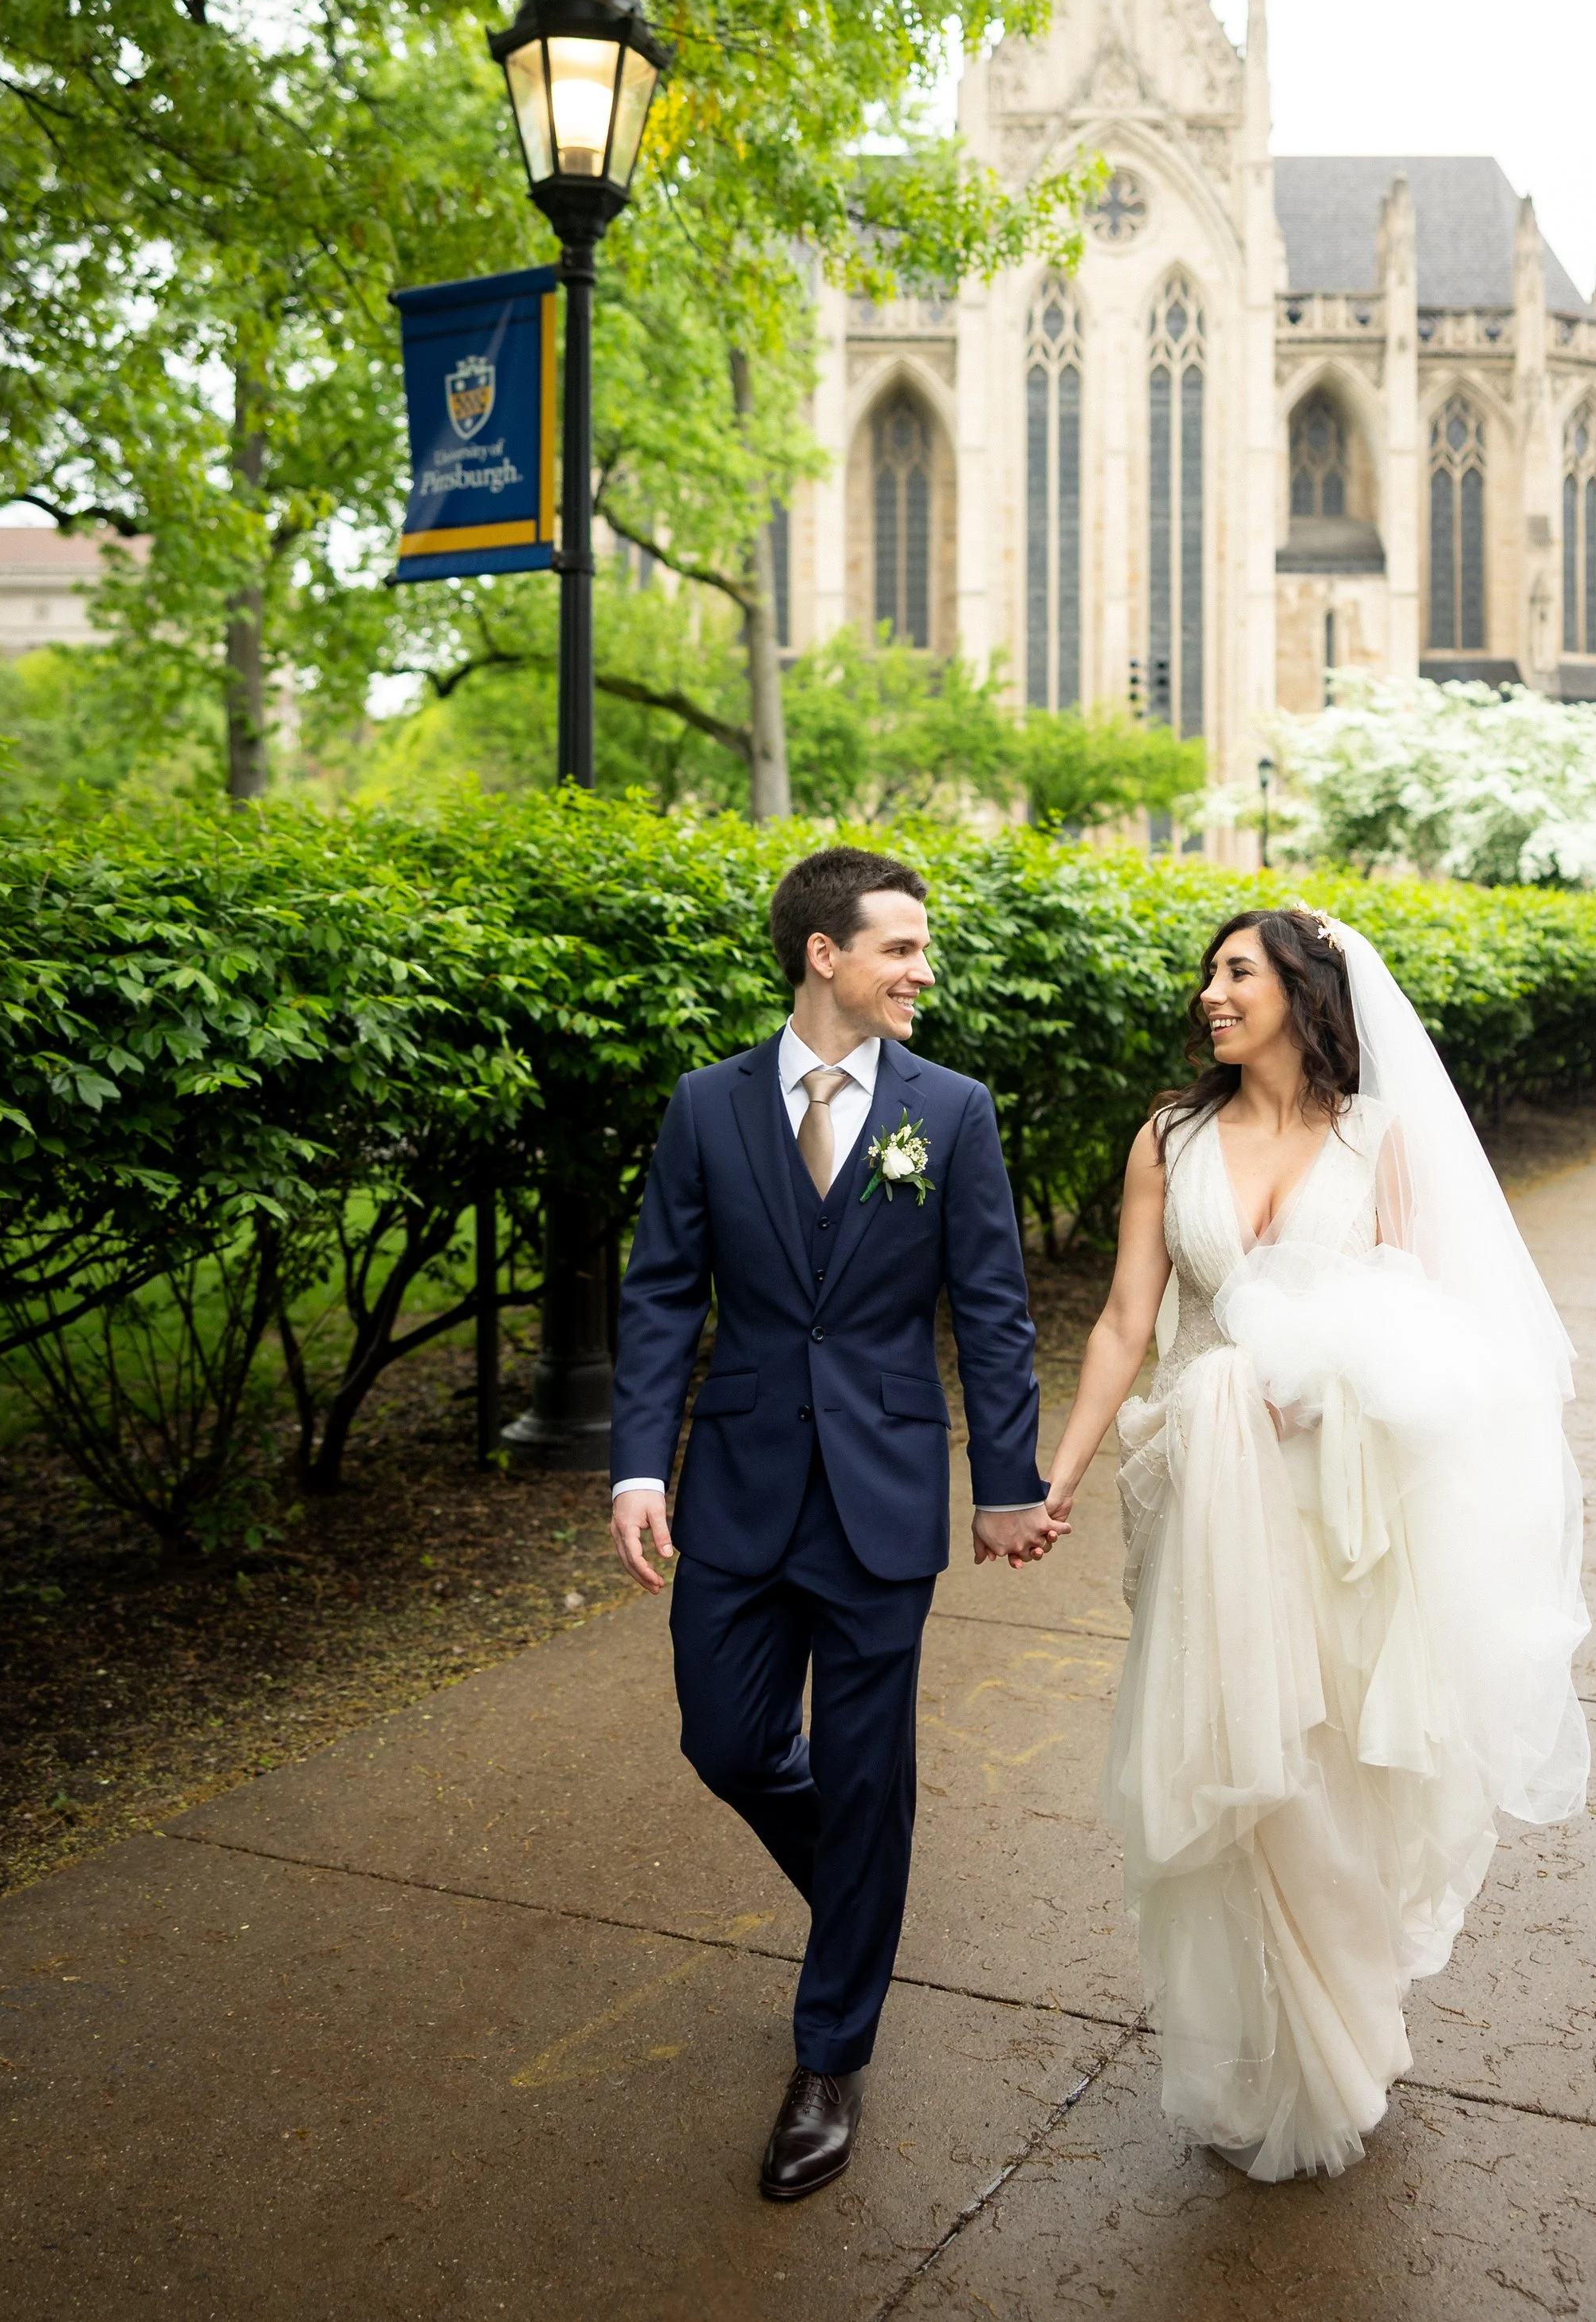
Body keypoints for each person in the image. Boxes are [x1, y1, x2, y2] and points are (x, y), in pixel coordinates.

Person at [1043, 903, 1589, 2179]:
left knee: (1328, 1775)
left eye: (1237, 971)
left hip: (1336, 1501)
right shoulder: (1167, 1140)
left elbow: (1426, 1320)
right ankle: (1258, 2051)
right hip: (1205, 1494)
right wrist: (1056, 1471)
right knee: (1230, 1770)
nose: (1211, 994)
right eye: (1208, 975)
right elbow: (1128, 1320)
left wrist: (1332, 1380)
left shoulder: (1378, 1138)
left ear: (1303, 989)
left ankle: (1342, 2033)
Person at [609, 845, 1059, 2203]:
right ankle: (862, 1903)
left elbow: (991, 1305)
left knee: (868, 1776)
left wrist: (1007, 1478)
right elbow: (658, 1296)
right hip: (736, 1489)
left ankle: (829, 2053)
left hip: (882, 1494)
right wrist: (639, 1467)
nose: (925, 970)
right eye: (902, 948)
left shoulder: (952, 1110)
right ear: (824, 955)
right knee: (728, 1737)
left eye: (923, 949)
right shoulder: (706, 1105)